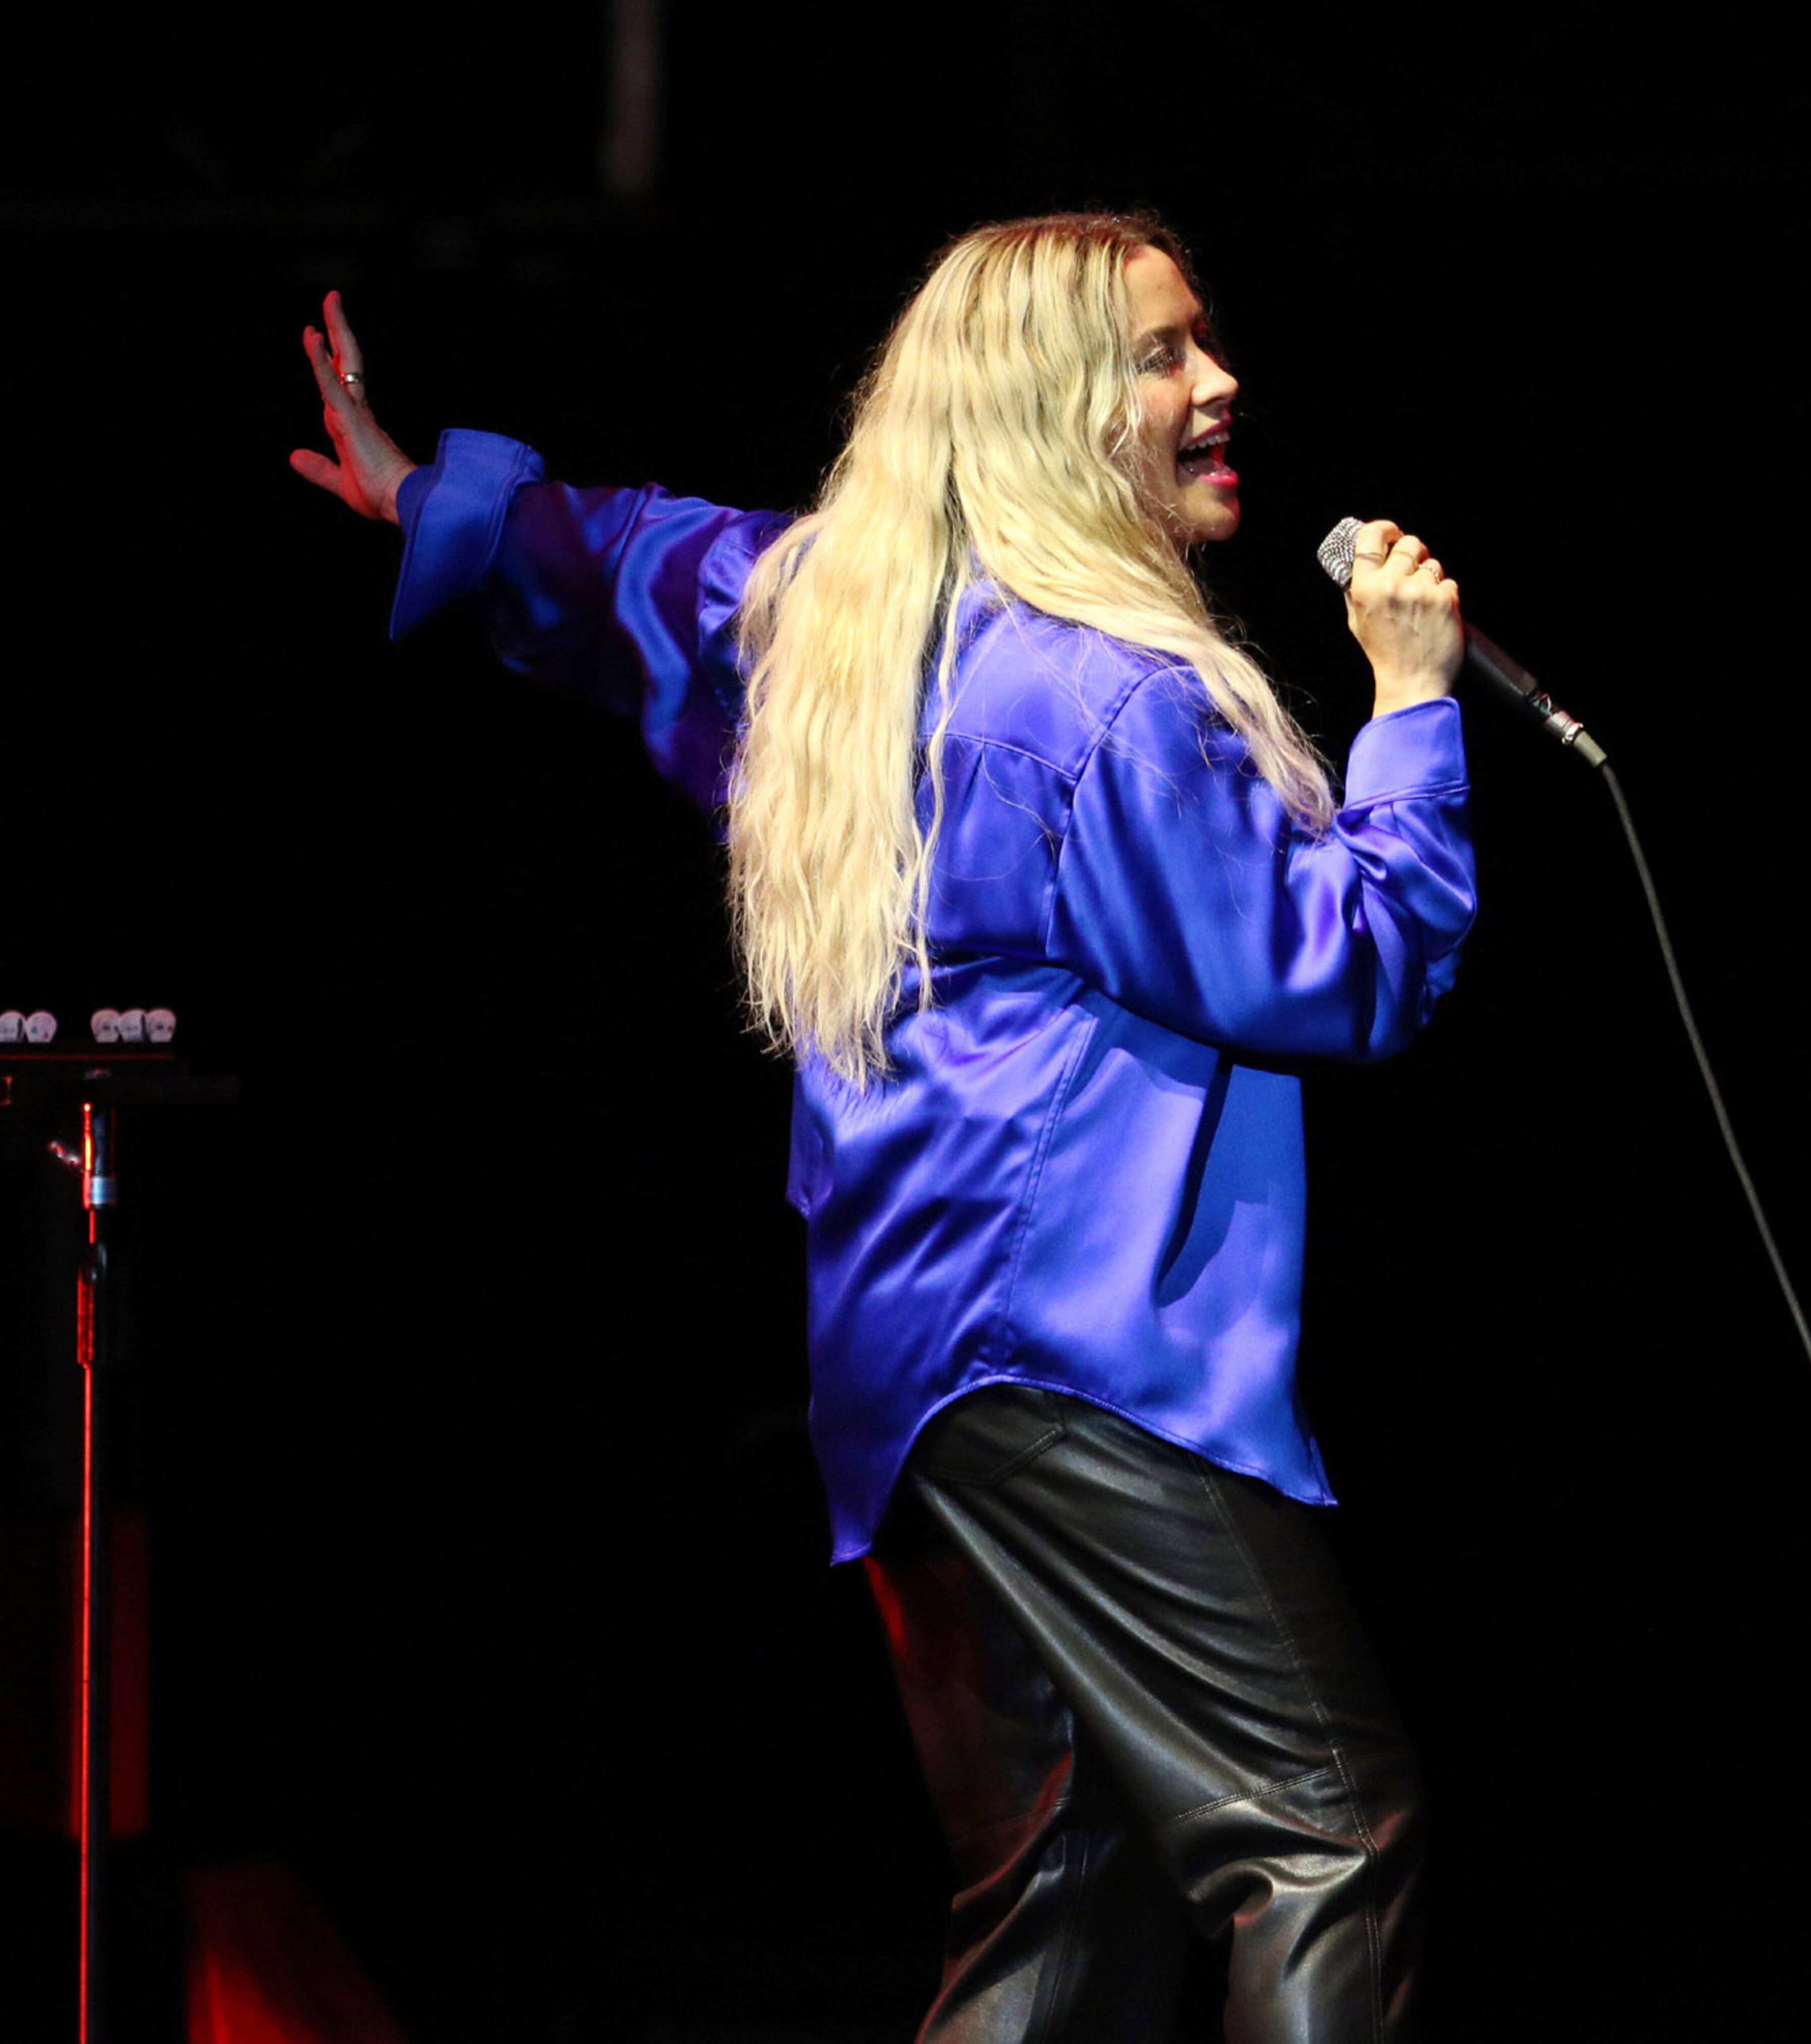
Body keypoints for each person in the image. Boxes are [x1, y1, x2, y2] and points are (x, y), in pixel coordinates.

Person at [294, 210, 1474, 2043]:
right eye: (1161, 356)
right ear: (1041, 410)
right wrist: (1409, 711)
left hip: (919, 1384)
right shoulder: (1107, 705)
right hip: (1083, 1365)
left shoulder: (835, 627)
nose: (1220, 383)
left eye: (1201, 341)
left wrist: (427, 502)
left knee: (1061, 1899)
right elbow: (1342, 971)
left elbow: (628, 562)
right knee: (1327, 1838)